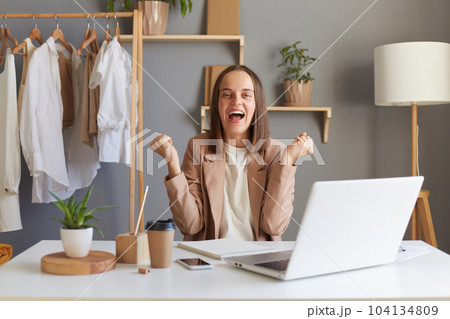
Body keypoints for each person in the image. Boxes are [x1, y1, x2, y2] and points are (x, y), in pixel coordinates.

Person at [151, 65, 313, 241]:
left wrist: (288, 160)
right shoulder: (198, 146)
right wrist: (172, 164)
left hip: (258, 262)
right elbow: (190, 225)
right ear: (217, 104)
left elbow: (274, 226)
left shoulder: (276, 152)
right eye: (227, 95)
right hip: (208, 261)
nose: (236, 101)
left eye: (246, 95)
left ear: (257, 105)